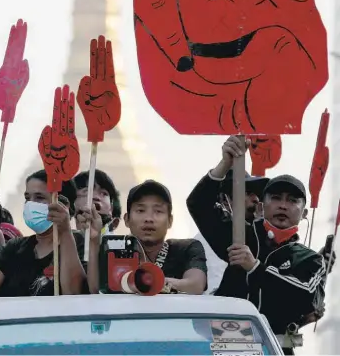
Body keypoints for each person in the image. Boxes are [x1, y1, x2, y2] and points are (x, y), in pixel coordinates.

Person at [187, 136, 326, 354]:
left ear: (304, 212)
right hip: (227, 346)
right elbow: (199, 204)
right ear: (262, 205)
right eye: (276, 197)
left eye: (292, 200)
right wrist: (225, 163)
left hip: (275, 349)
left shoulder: (310, 259)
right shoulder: (239, 235)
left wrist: (254, 267)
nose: (283, 205)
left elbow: (305, 296)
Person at [0, 169, 86, 300]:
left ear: (63, 205)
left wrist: (65, 231)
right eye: (27, 198)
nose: (31, 204)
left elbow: (73, 293)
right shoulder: (16, 247)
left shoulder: (82, 244)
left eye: (39, 197)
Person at [121, 180, 207, 294]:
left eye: (158, 211)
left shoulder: (187, 248)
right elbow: (96, 291)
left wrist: (150, 283)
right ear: (127, 219)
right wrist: (94, 241)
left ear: (170, 221)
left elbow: (195, 285)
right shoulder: (115, 251)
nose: (149, 219)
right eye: (141, 210)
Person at [192, 170, 269, 294]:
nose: (256, 199)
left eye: (257, 195)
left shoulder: (263, 239)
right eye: (248, 193)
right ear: (225, 200)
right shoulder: (206, 240)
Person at [73, 169, 121, 234]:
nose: (95, 197)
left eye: (104, 193)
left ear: (111, 208)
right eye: (87, 191)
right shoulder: (62, 240)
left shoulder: (121, 243)